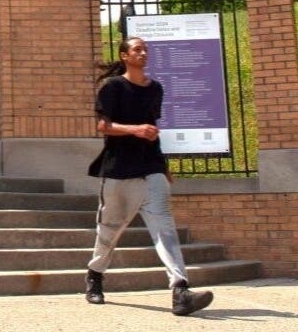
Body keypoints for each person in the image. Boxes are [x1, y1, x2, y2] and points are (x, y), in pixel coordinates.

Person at [84, 37, 214, 316]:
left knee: (164, 228)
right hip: (118, 169)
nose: (143, 53)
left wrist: (163, 165)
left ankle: (180, 290)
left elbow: (152, 127)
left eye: (145, 50)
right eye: (137, 50)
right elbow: (103, 126)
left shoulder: (155, 88)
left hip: (150, 167)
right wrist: (135, 130)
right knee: (109, 230)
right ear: (124, 56)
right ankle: (95, 274)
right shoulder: (112, 87)